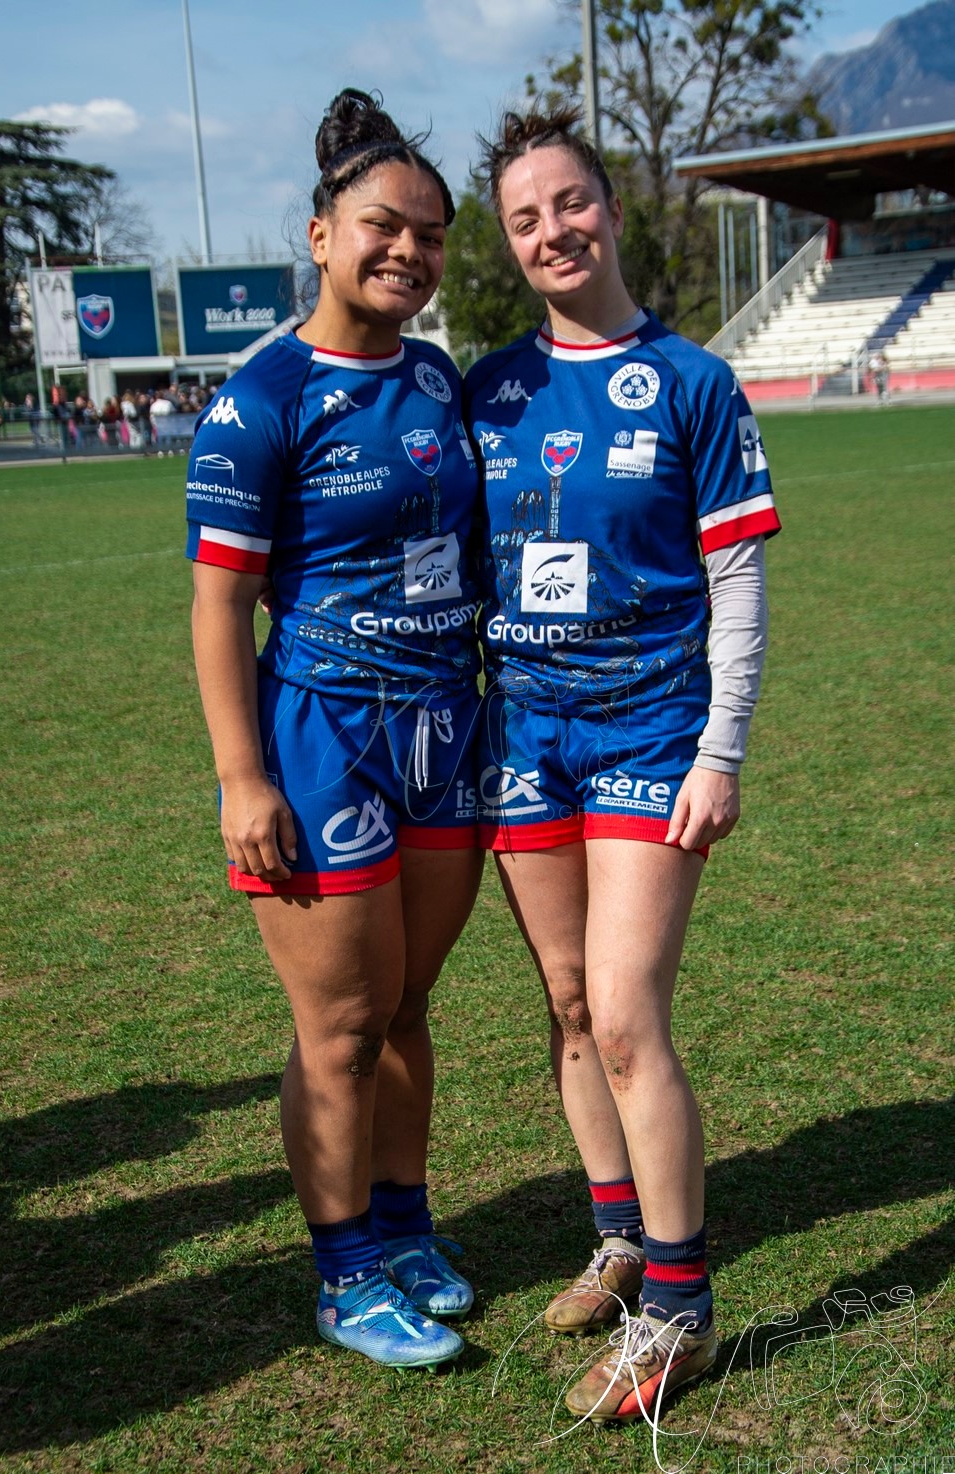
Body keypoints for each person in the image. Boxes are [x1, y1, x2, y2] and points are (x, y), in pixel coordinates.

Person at [465, 105, 781, 1423]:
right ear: (510, 242)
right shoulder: (487, 388)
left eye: (571, 201)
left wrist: (722, 748)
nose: (553, 229)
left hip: (653, 730)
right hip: (520, 735)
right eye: (526, 216)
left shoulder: (695, 381)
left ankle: (683, 1307)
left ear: (611, 205)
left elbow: (739, 572)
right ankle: (617, 1237)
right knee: (566, 1000)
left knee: (627, 1008)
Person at [186, 88, 483, 1371]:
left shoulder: (434, 375)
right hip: (318, 736)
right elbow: (219, 599)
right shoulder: (260, 397)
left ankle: (406, 1231)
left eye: (426, 233)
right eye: (381, 226)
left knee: (410, 1003)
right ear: (319, 234)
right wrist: (240, 776)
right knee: (340, 1026)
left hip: (445, 729)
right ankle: (343, 1270)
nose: (405, 252)